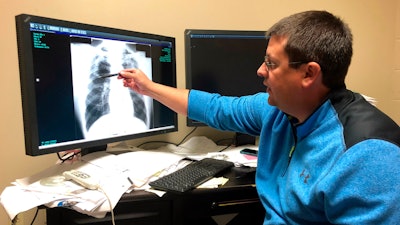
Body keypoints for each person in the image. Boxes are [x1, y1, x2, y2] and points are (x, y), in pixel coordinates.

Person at [118, 10, 400, 224]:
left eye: (271, 63)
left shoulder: (368, 156)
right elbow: (215, 108)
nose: (260, 71)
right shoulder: (277, 110)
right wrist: (149, 88)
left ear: (309, 73)